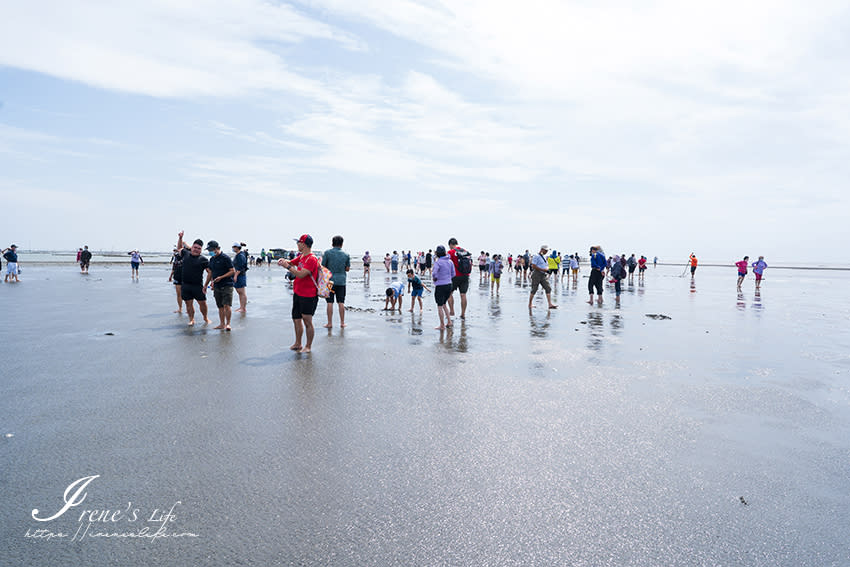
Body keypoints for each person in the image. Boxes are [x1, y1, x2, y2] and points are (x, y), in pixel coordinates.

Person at [279, 234, 319, 354]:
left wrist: (288, 267)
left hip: (309, 295)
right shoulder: (302, 256)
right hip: (298, 292)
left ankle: (308, 346)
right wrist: (284, 261)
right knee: (296, 319)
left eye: (299, 242)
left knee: (307, 320)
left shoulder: (312, 259)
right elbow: (291, 262)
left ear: (304, 244)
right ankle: (298, 343)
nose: (297, 244)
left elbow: (301, 274)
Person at [176, 231, 212, 326]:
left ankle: (205, 317)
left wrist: (207, 284)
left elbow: (210, 272)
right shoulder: (186, 253)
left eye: (199, 248)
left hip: (197, 286)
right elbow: (179, 248)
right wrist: (180, 238)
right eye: (195, 247)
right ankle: (191, 319)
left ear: (201, 250)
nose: (196, 249)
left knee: (202, 303)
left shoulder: (203, 259)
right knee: (188, 304)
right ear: (191, 247)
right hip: (186, 285)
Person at [204, 241, 235, 331]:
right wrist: (206, 284)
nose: (210, 252)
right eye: (209, 250)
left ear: (217, 248)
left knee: (226, 305)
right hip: (216, 286)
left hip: (227, 285)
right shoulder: (212, 259)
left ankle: (228, 324)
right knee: (220, 306)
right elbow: (210, 273)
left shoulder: (225, 258)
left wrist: (221, 277)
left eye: (211, 250)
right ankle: (222, 324)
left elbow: (232, 270)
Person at [322, 235, 350, 328]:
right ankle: (342, 323)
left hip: (330, 281)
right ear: (342, 244)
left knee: (329, 302)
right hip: (341, 281)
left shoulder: (327, 253)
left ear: (332, 243)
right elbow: (347, 269)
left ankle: (329, 323)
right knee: (341, 302)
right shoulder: (346, 255)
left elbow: (323, 267)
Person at [447, 237, 472, 319]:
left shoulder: (450, 252)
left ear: (450, 244)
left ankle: (452, 311)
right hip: (465, 275)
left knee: (449, 293)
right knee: (463, 295)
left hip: (455, 276)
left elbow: (447, 263)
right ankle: (463, 314)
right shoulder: (464, 251)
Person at [431, 245, 455, 330]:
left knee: (440, 306)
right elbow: (453, 274)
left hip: (440, 285)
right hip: (449, 285)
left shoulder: (438, 262)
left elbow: (434, 273)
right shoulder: (450, 261)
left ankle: (442, 325)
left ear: (437, 253)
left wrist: (435, 278)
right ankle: (449, 321)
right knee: (444, 304)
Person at [529, 245, 558, 310]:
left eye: (547, 251)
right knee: (534, 289)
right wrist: (543, 269)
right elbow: (533, 266)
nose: (546, 252)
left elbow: (543, 265)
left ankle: (550, 304)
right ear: (542, 249)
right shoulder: (536, 256)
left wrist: (546, 269)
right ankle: (530, 304)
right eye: (545, 250)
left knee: (548, 288)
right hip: (536, 274)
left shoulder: (544, 257)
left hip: (543, 275)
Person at [169, 245, 187, 314]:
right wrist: (171, 276)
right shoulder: (176, 256)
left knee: (186, 294)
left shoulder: (187, 256)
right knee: (178, 294)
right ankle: (180, 308)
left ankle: (188, 309)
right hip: (177, 276)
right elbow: (174, 267)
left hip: (185, 276)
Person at [232, 242, 249, 313]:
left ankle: (243, 308)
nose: (232, 248)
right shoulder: (239, 254)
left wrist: (235, 275)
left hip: (240, 275)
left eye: (233, 247)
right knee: (239, 292)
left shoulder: (240, 255)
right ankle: (241, 307)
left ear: (236, 247)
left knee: (242, 292)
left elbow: (240, 267)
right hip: (238, 274)